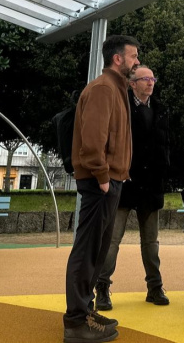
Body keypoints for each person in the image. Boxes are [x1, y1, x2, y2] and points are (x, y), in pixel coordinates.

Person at [63, 35, 139, 343]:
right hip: (100, 183)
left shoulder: (116, 89)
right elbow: (93, 139)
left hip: (109, 181)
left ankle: (85, 311)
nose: (137, 62)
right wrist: (103, 175)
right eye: (133, 56)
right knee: (87, 250)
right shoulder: (104, 89)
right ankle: (75, 322)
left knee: (96, 249)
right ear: (118, 59)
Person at [94, 66, 171, 311]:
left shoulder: (160, 109)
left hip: (151, 186)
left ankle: (155, 287)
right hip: (124, 183)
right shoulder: (122, 106)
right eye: (144, 79)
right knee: (112, 240)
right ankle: (103, 288)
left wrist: (166, 173)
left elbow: (167, 145)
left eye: (152, 78)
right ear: (132, 83)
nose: (150, 83)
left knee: (151, 242)